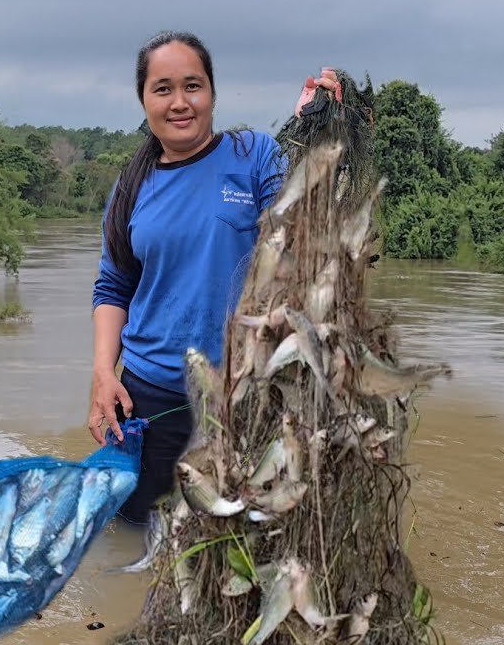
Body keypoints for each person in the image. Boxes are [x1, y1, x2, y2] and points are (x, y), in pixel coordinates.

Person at [87, 29, 339, 525]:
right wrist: (101, 374)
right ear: (143, 100)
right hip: (149, 399)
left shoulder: (254, 156)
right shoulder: (130, 188)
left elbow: (305, 216)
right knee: (144, 536)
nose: (179, 102)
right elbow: (112, 288)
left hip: (244, 391)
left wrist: (315, 128)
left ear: (212, 94)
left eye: (192, 86)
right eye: (162, 89)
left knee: (243, 535)